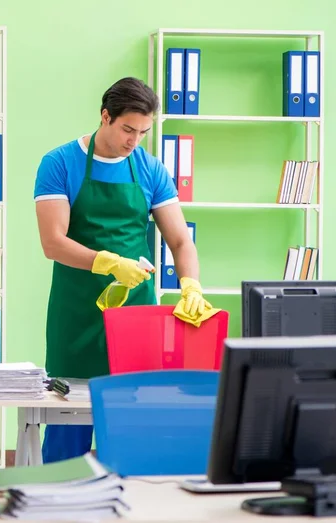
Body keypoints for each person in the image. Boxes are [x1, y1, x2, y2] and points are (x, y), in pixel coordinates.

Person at [34, 77, 218, 463]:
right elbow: (53, 242)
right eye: (128, 129)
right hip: (77, 316)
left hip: (135, 320)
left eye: (144, 132)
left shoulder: (150, 169)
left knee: (133, 439)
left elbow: (181, 241)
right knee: (68, 439)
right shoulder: (60, 163)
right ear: (105, 117)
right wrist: (108, 262)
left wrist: (191, 286)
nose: (134, 140)